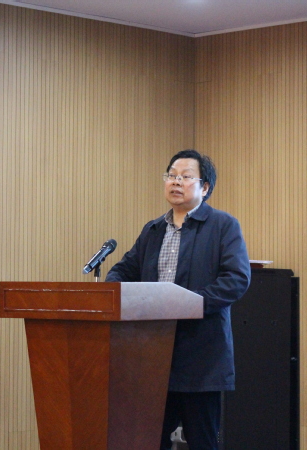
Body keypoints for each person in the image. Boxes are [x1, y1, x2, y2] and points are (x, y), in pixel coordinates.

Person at [105, 149, 251, 450]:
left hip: (201, 357)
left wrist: (188, 303)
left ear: (205, 187)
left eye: (185, 177)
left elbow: (236, 279)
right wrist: (114, 294)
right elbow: (123, 270)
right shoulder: (153, 230)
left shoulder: (223, 226)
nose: (175, 182)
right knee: (148, 441)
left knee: (202, 442)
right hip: (153, 357)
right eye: (171, 176)